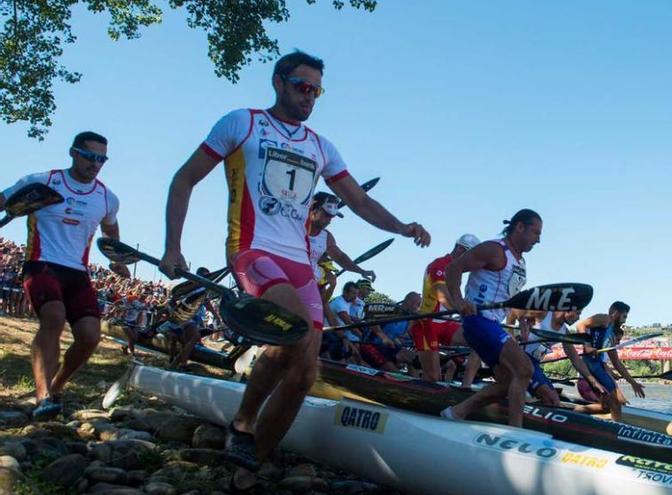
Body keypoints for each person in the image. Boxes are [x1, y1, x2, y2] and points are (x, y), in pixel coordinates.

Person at [160, 49, 430, 471]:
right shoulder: (242, 122)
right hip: (252, 249)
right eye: (303, 87)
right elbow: (184, 179)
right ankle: (244, 424)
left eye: (317, 91)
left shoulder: (321, 146)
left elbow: (358, 199)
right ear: (278, 83)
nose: (310, 97)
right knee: (295, 332)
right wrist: (172, 246)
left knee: (304, 373)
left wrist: (402, 226)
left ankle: (253, 463)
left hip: (301, 262)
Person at [0, 131, 129, 420]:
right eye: (90, 156)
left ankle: (57, 387)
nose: (96, 164)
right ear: (74, 153)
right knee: (54, 317)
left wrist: (116, 259)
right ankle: (42, 394)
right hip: (41, 263)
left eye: (102, 159)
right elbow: (4, 201)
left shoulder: (107, 198)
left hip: (77, 273)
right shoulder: (42, 181)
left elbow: (111, 231)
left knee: (90, 336)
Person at [441, 209, 539, 427]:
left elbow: (511, 298)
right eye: (535, 232)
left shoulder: (520, 261)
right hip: (479, 320)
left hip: (493, 324)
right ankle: (516, 432)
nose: (538, 239)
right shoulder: (494, 249)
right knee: (524, 370)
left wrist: (522, 320)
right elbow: (453, 269)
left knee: (506, 382)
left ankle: (457, 412)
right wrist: (458, 302)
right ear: (519, 227)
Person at [411, 234, 481, 382]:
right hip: (427, 324)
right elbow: (442, 296)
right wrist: (463, 310)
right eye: (472, 256)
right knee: (433, 377)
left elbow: (456, 300)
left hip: (445, 323)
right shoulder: (440, 264)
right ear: (461, 249)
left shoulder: (457, 270)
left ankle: (466, 386)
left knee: (481, 339)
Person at [564, 301, 645, 420]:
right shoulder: (605, 319)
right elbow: (581, 325)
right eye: (624, 316)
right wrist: (587, 346)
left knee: (609, 405)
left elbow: (617, 363)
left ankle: (572, 414)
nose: (625, 321)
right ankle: (617, 430)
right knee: (615, 403)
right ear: (616, 313)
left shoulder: (611, 335)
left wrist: (633, 382)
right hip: (590, 364)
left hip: (598, 367)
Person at [308, 192, 376, 282]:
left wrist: (361, 271)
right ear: (314, 211)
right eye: (327, 216)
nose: (329, 221)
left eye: (332, 217)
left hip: (309, 281)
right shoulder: (294, 227)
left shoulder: (326, 237)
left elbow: (340, 258)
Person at [360, 292, 420, 372]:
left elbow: (402, 336)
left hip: (388, 348)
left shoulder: (409, 320)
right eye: (418, 305)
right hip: (371, 345)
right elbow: (371, 320)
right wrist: (384, 337)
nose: (418, 308)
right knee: (394, 372)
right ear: (410, 302)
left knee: (413, 358)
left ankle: (415, 382)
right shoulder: (391, 309)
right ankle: (398, 380)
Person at [323, 281, 363, 363]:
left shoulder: (348, 301)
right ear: (345, 292)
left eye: (356, 294)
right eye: (353, 293)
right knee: (352, 351)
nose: (355, 297)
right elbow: (348, 323)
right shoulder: (339, 303)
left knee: (355, 353)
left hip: (337, 332)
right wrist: (363, 336)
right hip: (329, 332)